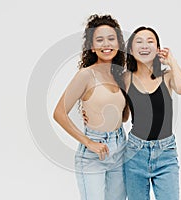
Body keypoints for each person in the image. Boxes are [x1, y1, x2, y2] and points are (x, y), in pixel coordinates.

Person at [53, 14, 128, 200]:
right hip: (93, 154)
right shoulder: (86, 75)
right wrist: (89, 142)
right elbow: (59, 113)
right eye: (99, 40)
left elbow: (123, 117)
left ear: (118, 43)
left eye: (111, 38)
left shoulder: (120, 75)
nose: (106, 44)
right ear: (92, 47)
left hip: (121, 148)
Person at [123, 26, 181, 200]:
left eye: (150, 41)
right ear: (131, 49)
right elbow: (122, 115)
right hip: (134, 153)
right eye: (139, 41)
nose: (144, 45)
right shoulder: (126, 78)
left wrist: (172, 62)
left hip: (165, 153)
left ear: (158, 48)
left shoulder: (167, 76)